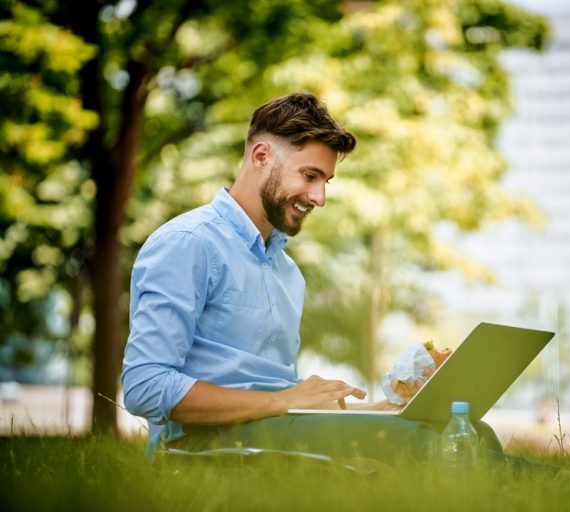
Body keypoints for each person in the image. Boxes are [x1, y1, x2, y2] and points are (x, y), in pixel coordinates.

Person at [121, 93, 547, 471]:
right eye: (309, 176)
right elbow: (145, 386)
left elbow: (274, 389)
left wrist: (385, 411)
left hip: (273, 429)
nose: (319, 197)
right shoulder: (188, 244)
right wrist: (285, 401)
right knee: (414, 445)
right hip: (200, 448)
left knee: (465, 429)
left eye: (325, 182)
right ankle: (565, 485)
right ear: (261, 156)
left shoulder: (286, 272)